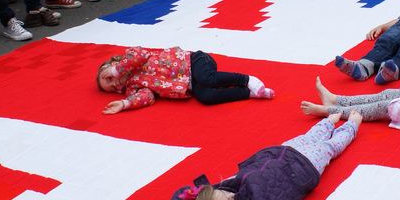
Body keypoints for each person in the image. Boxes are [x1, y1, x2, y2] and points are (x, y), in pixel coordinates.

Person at [166, 111, 362, 200]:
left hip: (278, 154)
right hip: (303, 168)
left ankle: (329, 120)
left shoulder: (219, 196)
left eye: (221, 192)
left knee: (309, 136)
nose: (228, 193)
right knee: (329, 147)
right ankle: (351, 126)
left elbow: (182, 192)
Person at [96, 46, 275, 112]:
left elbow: (140, 54)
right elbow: (147, 97)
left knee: (206, 79)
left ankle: (247, 80)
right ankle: (248, 93)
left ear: (113, 65)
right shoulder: (133, 88)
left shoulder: (132, 57)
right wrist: (125, 104)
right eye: (112, 88)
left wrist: (118, 70)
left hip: (195, 61)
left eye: (110, 78)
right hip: (190, 85)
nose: (115, 83)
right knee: (206, 97)